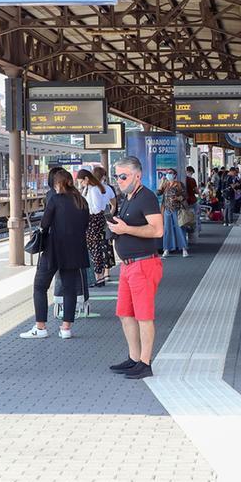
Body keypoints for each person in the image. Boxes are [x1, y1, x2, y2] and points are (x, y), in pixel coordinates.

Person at [107, 156, 164, 380]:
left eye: (123, 176)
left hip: (144, 264)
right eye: (117, 176)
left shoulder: (146, 197)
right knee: (125, 314)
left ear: (137, 176)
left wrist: (126, 230)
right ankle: (134, 358)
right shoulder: (128, 197)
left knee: (143, 317)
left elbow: (157, 230)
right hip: (128, 265)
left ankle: (145, 362)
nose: (119, 180)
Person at [20, 168, 89, 339]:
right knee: (69, 289)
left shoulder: (55, 200)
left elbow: (44, 224)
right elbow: (85, 225)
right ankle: (66, 329)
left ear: (58, 184)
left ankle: (40, 327)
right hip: (75, 251)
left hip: (54, 250)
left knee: (40, 286)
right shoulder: (82, 201)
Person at [76, 168, 115, 285]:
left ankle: (98, 276)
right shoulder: (91, 188)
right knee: (95, 247)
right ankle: (98, 276)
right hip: (95, 220)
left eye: (81, 181)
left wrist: (87, 210)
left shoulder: (93, 190)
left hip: (93, 220)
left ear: (86, 179)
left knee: (95, 248)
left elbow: (97, 208)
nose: (81, 184)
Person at [157, 171, 189, 258]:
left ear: (175, 175)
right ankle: (166, 248)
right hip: (167, 209)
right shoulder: (165, 184)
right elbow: (158, 193)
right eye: (167, 173)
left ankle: (184, 249)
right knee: (167, 229)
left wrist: (178, 198)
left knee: (180, 228)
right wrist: (161, 183)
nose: (168, 174)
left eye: (170, 173)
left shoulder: (179, 184)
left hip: (177, 209)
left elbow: (185, 196)